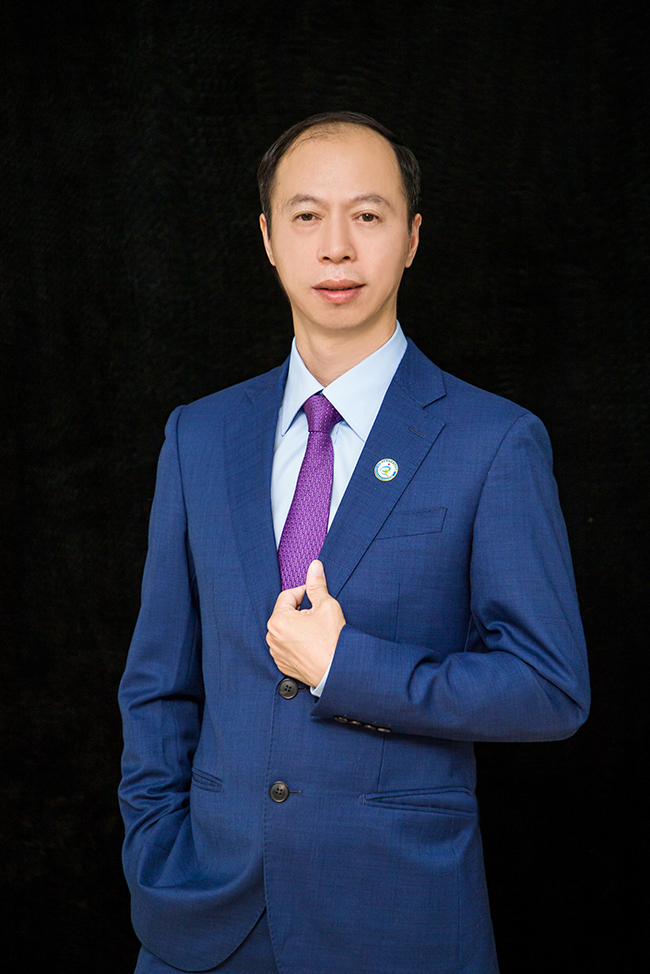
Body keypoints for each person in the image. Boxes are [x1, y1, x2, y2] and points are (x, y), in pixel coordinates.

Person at [119, 111, 590, 974]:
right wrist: (155, 853)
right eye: (306, 215)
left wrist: (347, 669)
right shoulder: (198, 435)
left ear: (412, 238)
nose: (336, 247)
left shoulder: (494, 440)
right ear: (269, 239)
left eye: (368, 215)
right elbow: (158, 685)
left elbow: (549, 688)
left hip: (399, 921)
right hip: (203, 920)